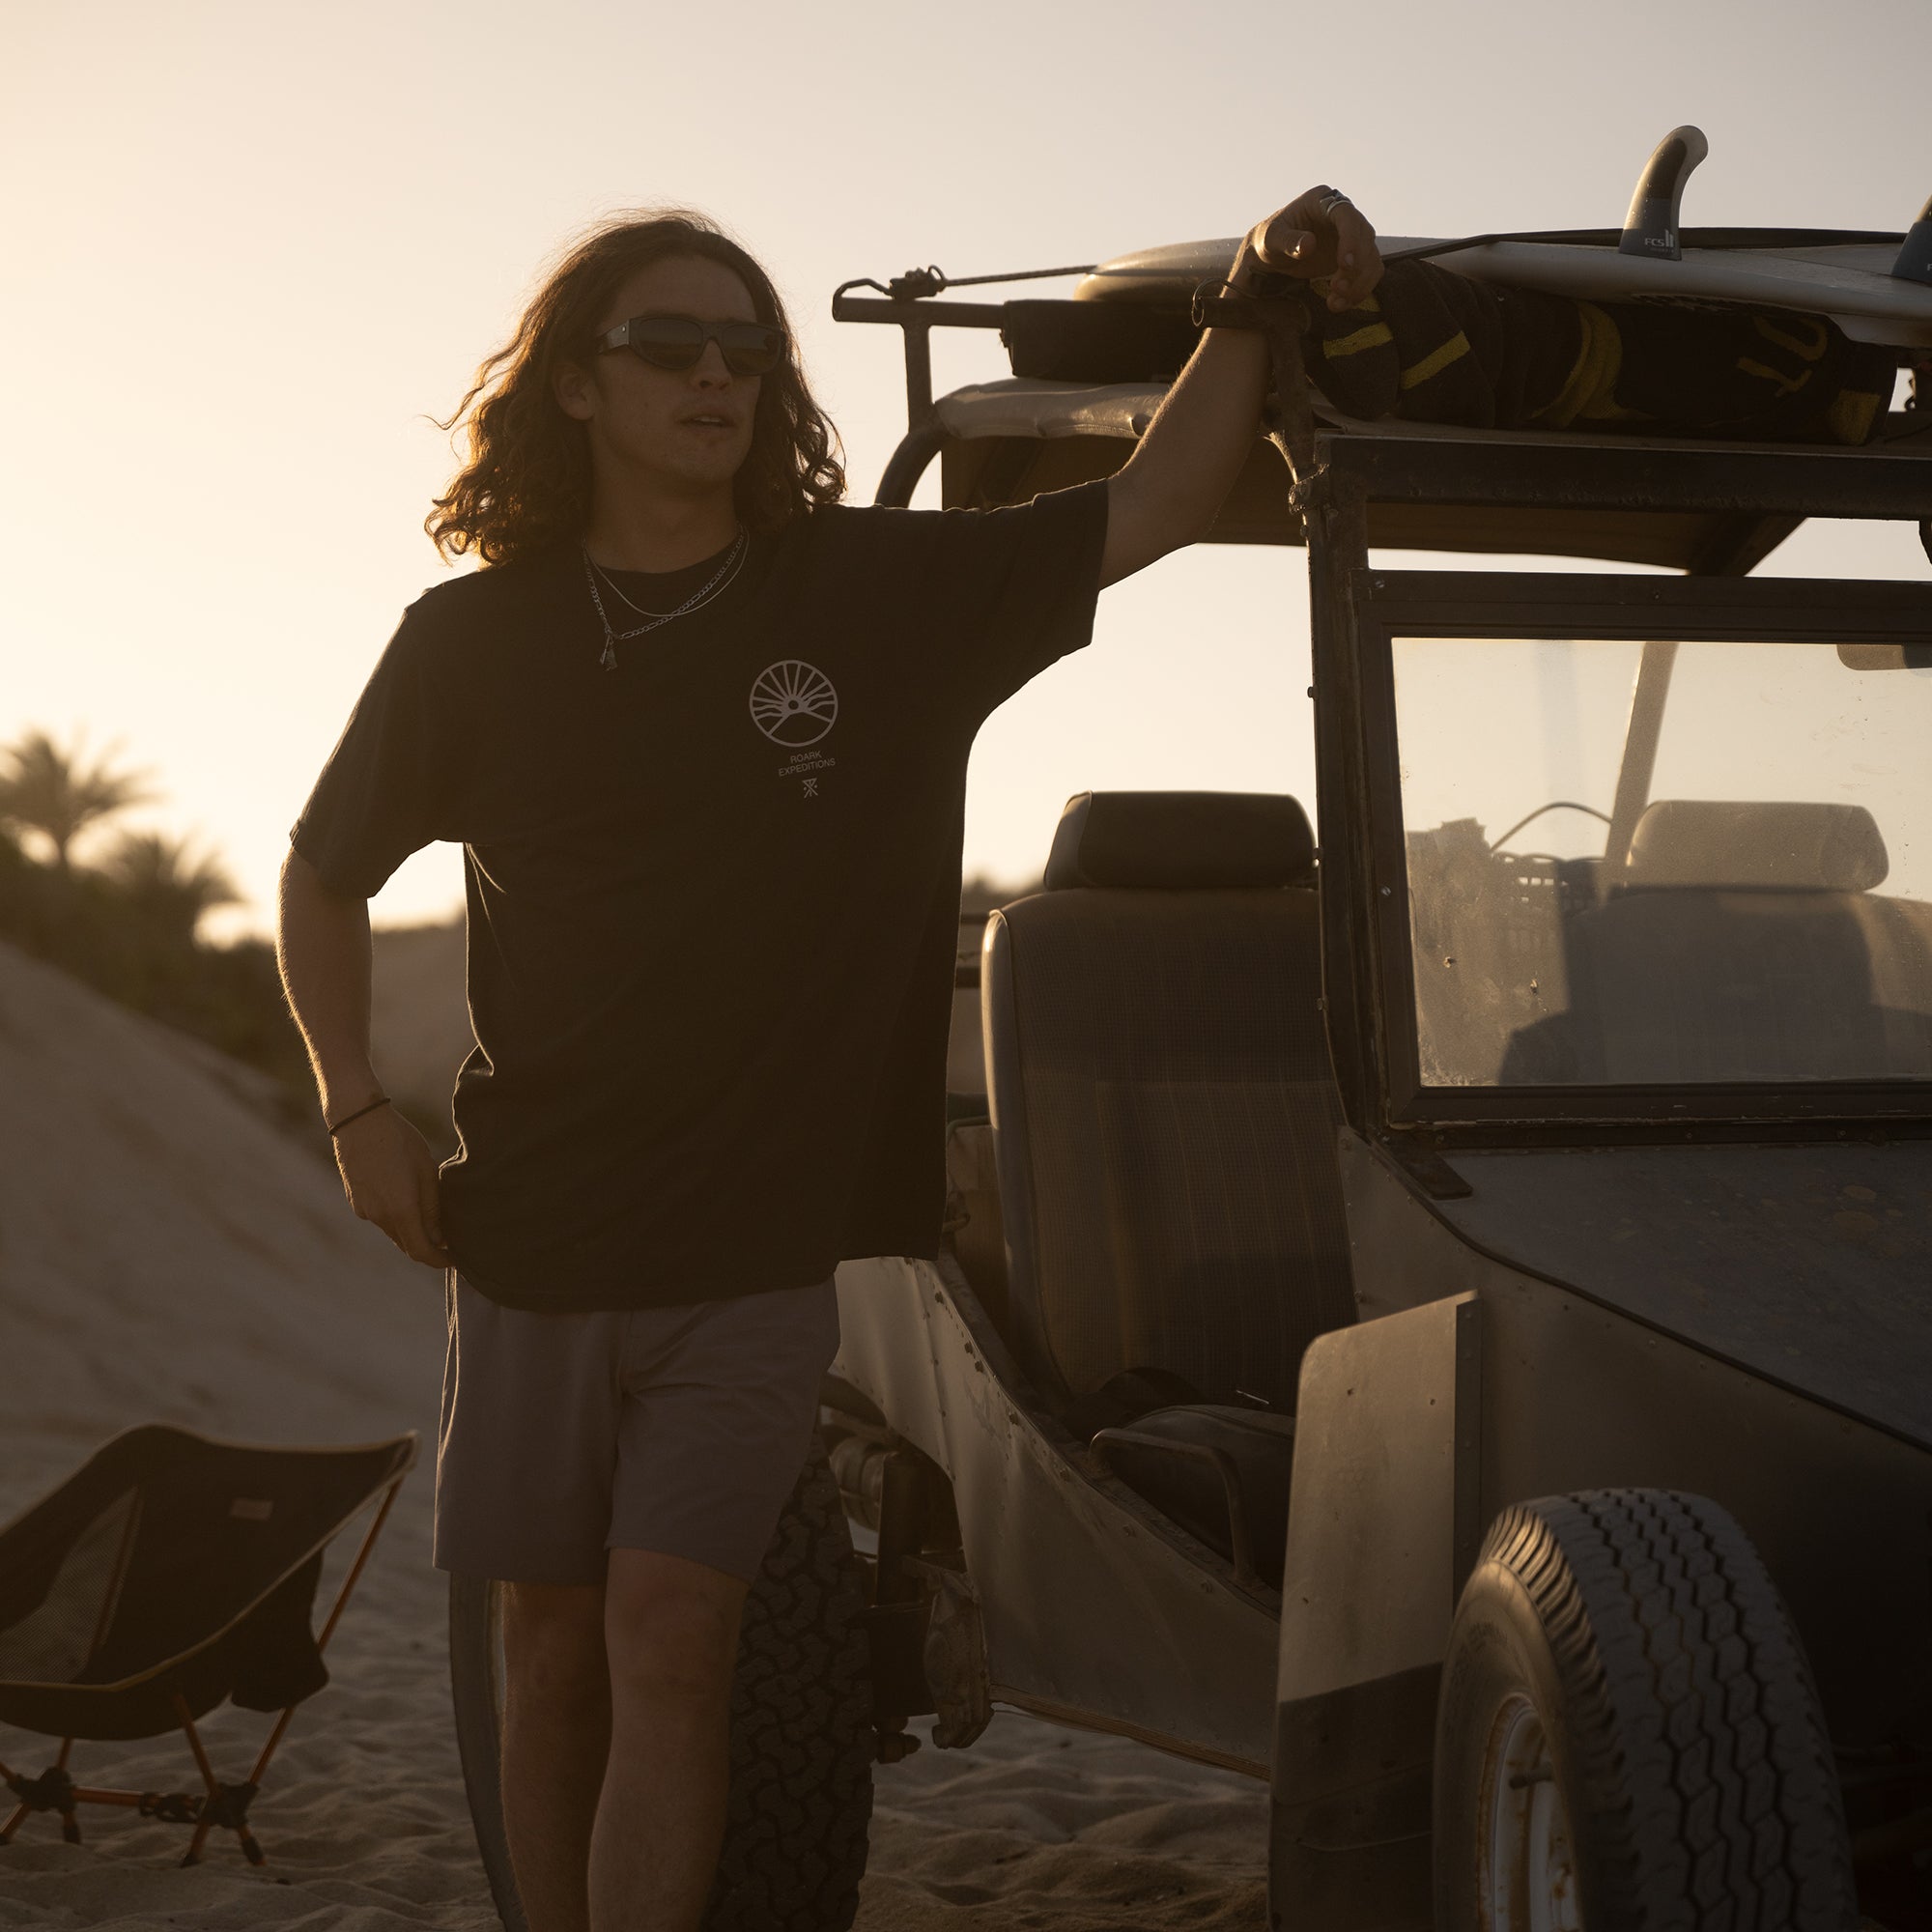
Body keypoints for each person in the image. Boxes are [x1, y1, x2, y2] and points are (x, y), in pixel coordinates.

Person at [274, 185, 1381, 1932]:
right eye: (668, 344)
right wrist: (354, 1108)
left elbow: (1157, 503)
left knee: (675, 1636)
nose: (716, 375)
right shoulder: (472, 642)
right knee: (547, 1643)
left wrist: (1250, 296)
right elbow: (323, 875)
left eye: (748, 348)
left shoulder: (871, 596)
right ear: (576, 384)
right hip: (535, 1235)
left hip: (758, 1247)